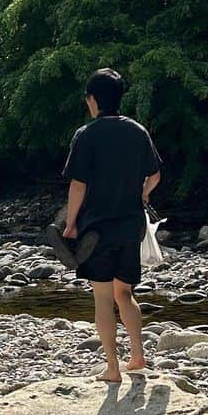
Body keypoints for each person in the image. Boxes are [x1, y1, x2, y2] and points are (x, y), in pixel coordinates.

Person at [48, 69, 162, 383]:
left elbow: (78, 185)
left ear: (93, 99)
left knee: (102, 298)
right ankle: (137, 355)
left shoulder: (86, 134)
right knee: (124, 293)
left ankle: (112, 369)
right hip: (130, 226)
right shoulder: (138, 131)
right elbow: (155, 176)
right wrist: (140, 194)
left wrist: (70, 223)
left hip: (96, 229)